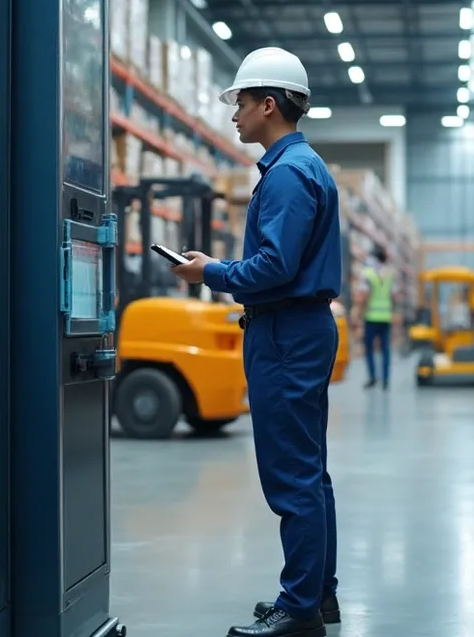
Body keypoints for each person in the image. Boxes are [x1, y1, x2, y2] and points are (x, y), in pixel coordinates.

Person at [169, 47, 342, 637]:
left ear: (269, 104)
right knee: (310, 473)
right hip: (295, 328)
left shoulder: (290, 174)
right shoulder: (297, 167)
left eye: (241, 102)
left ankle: (298, 610)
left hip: (286, 333)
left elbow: (274, 265)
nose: (235, 114)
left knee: (292, 475)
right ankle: (315, 598)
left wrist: (210, 273)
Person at [356, 245, 394, 390]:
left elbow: (364, 295)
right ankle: (385, 380)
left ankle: (372, 378)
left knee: (369, 348)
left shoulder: (367, 273)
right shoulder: (390, 273)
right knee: (385, 349)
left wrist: (358, 314)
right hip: (385, 316)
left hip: (371, 316)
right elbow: (393, 294)